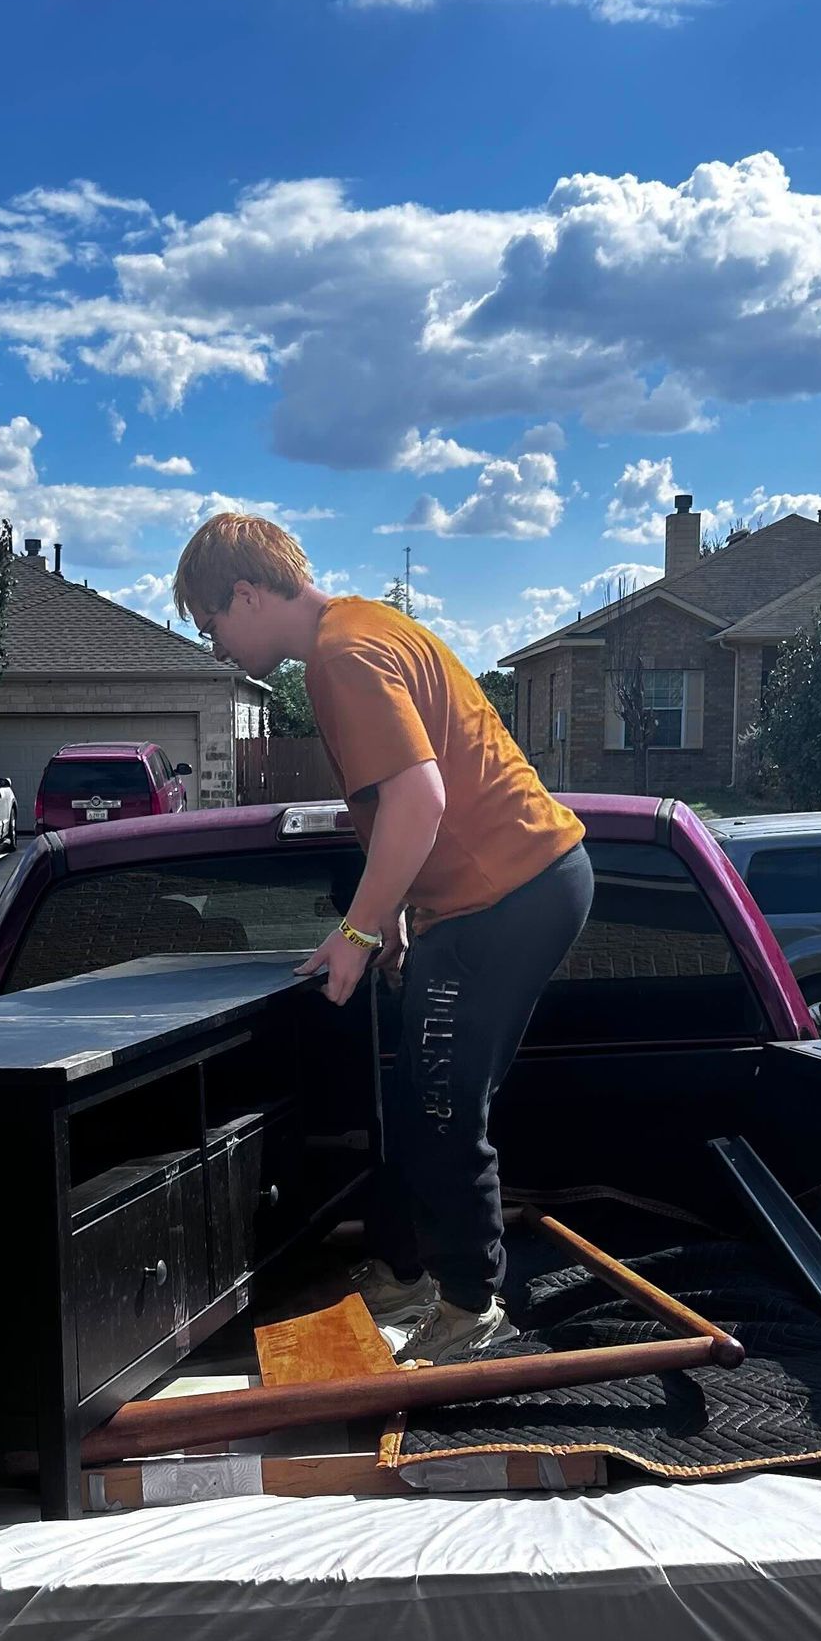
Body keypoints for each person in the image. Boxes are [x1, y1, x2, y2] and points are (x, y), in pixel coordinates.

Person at [172, 512, 593, 1363]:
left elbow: (420, 800)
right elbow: (402, 803)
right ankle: (408, 1273)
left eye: (212, 624)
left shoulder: (342, 657)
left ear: (248, 595)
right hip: (516, 888)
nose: (215, 647)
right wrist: (394, 913)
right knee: (425, 1098)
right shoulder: (365, 626)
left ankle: (472, 1315)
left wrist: (359, 934)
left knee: (441, 1109)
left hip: (503, 897)